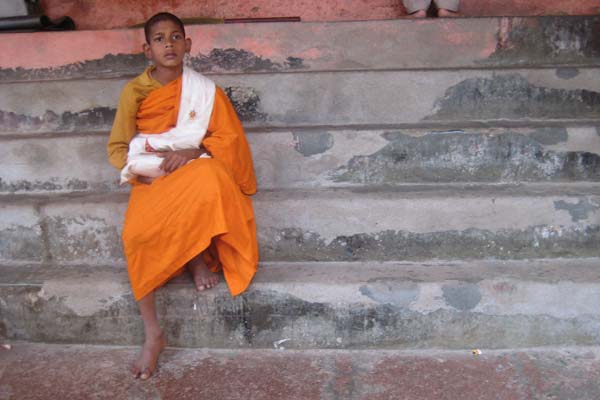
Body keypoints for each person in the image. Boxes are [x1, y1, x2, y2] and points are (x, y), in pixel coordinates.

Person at [107, 12, 259, 380]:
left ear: (188, 45)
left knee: (211, 173)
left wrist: (192, 153)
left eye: (176, 37)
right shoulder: (134, 92)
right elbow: (117, 147)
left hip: (190, 168)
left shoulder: (205, 90)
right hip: (152, 176)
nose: (169, 45)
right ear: (147, 49)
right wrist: (138, 169)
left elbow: (226, 140)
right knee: (135, 236)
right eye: (159, 39)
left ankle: (194, 254)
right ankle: (153, 334)